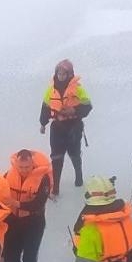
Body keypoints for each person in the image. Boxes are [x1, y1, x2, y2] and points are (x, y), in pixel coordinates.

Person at [3, 149, 52, 262]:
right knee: (9, 254)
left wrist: (17, 204)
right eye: (21, 167)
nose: (24, 171)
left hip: (34, 222)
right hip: (12, 221)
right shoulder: (7, 176)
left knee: (30, 257)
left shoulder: (43, 179)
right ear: (16, 164)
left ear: (32, 164)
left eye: (27, 167)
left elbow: (39, 203)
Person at [38, 59, 93, 194]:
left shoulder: (78, 89)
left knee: (74, 154)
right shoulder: (50, 90)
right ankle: (55, 187)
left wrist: (74, 111)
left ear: (69, 74)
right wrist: (43, 123)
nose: (61, 76)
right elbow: (45, 107)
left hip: (74, 126)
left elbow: (88, 106)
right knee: (56, 156)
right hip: (57, 126)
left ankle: (78, 177)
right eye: (59, 73)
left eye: (64, 74)